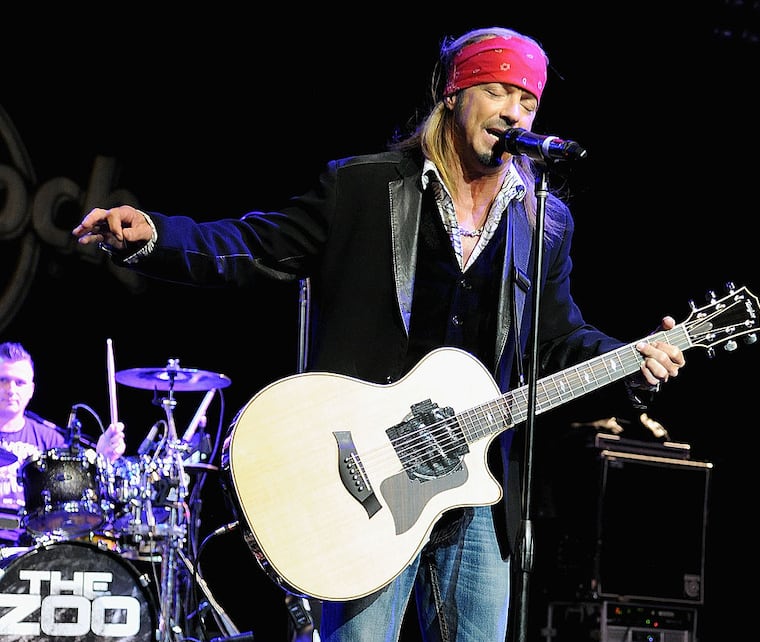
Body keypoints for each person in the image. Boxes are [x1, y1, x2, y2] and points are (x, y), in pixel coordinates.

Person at [72, 25, 685, 642]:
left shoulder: (542, 221)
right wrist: (156, 235)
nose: (513, 113)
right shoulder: (365, 186)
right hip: (365, 474)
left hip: (474, 486)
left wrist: (629, 361)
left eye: (527, 102)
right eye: (498, 92)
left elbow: (554, 340)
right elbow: (255, 247)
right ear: (455, 94)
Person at [0, 341, 126, 548]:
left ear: (31, 389)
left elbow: (76, 494)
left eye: (19, 382)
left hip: (33, 545)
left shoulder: (52, 441)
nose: (11, 389)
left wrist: (102, 457)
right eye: (3, 380)